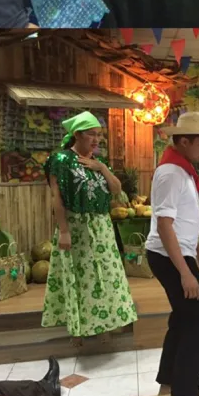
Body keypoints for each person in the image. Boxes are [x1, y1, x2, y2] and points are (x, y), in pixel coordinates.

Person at [146, 114, 199, 396]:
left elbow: (182, 217)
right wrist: (185, 272)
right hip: (169, 256)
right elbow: (164, 226)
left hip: (179, 252)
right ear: (183, 141)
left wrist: (197, 246)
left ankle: (168, 383)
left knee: (183, 319)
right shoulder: (171, 173)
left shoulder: (183, 170)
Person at [42, 112, 136, 344]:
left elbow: (116, 190)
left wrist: (101, 168)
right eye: (92, 135)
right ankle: (79, 329)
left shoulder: (98, 162)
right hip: (76, 226)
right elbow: (57, 197)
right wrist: (64, 231)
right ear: (77, 135)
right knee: (81, 275)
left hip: (101, 226)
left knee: (105, 275)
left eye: (99, 135)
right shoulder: (61, 160)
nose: (96, 140)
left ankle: (105, 323)